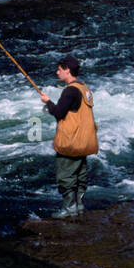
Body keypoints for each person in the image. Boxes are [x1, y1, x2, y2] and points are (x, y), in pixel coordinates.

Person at [39, 55, 98, 218]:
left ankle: (69, 208)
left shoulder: (70, 90)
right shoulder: (84, 88)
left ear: (67, 70)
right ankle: (78, 206)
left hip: (71, 141)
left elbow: (59, 113)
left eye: (59, 69)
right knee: (80, 175)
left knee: (66, 176)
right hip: (85, 140)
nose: (57, 72)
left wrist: (47, 102)